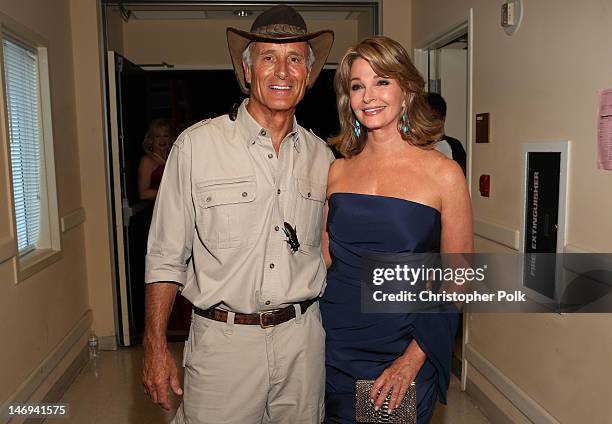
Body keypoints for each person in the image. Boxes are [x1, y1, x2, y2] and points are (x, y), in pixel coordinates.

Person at [141, 5, 335, 424]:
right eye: (268, 57)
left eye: (295, 58)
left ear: (308, 74)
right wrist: (155, 346)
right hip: (223, 347)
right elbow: (164, 256)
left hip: (302, 345)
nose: (282, 71)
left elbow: (333, 251)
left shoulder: (323, 157)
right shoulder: (196, 147)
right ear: (247, 71)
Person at [320, 36, 473, 423]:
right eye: (357, 86)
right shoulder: (337, 170)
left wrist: (411, 360)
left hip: (401, 346)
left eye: (382, 81)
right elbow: (324, 259)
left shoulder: (443, 173)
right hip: (332, 342)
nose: (368, 96)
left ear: (406, 89)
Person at [428, 92, 467, 176]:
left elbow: (463, 175)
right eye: (426, 118)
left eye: (434, 118)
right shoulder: (415, 145)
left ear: (443, 119)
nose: (430, 123)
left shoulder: (454, 145)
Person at [138, 119, 173, 201]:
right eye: (157, 136)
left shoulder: (172, 158)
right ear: (151, 140)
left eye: (165, 136)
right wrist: (170, 192)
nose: (162, 140)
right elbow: (143, 194)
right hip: (157, 210)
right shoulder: (147, 161)